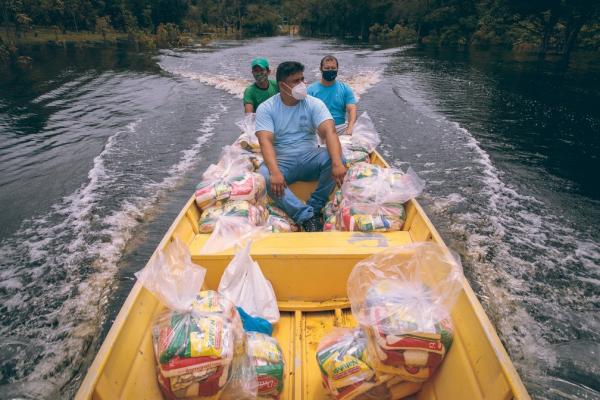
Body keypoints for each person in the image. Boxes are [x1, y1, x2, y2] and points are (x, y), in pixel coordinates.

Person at [255, 61, 346, 232]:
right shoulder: (266, 108)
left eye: (302, 79)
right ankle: (306, 216)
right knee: (264, 176)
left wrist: (337, 164)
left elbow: (330, 132)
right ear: (283, 85)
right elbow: (265, 141)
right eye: (296, 81)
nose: (302, 84)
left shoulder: (314, 104)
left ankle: (315, 205)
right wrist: (274, 172)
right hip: (282, 161)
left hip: (310, 156)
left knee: (338, 157)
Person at [308, 55, 357, 135]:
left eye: (333, 68)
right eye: (327, 68)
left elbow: (352, 110)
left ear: (337, 69)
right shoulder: (310, 90)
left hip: (340, 128)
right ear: (321, 69)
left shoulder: (345, 88)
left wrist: (350, 128)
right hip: (318, 129)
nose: (330, 70)